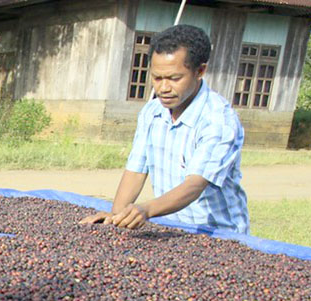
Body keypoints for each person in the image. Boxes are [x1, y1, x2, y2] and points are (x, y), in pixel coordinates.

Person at [80, 24, 249, 233]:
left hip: (219, 234)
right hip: (172, 228)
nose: (163, 88)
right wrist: (117, 216)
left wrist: (145, 209)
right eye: (157, 78)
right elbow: (136, 170)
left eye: (174, 78)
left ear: (200, 71)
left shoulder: (218, 120)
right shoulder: (152, 112)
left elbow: (195, 185)